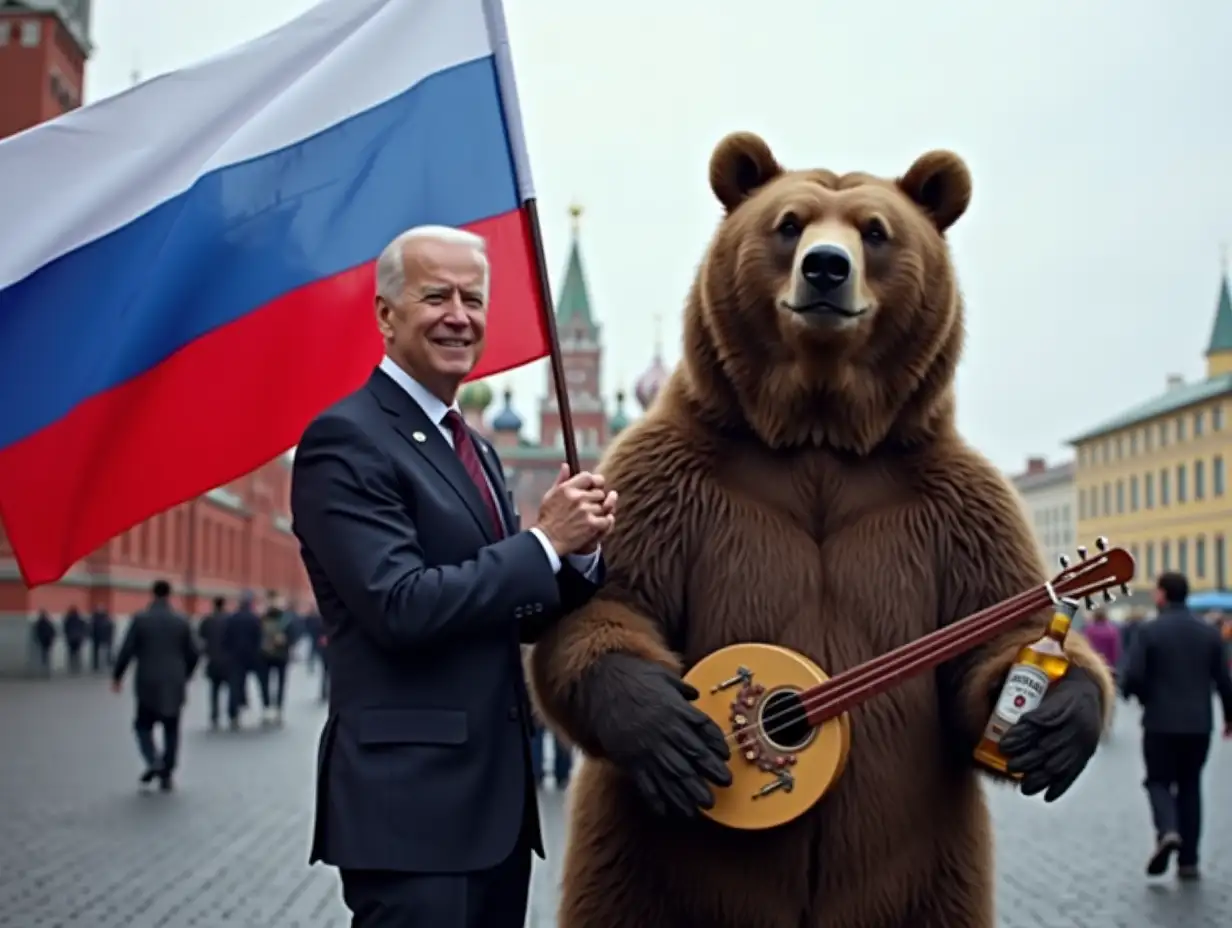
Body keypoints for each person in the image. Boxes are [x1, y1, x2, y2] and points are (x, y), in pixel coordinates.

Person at [291, 225, 616, 928]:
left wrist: (576, 555)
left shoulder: (474, 450)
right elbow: (400, 606)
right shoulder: (346, 440)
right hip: (411, 814)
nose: (458, 314)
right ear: (386, 315)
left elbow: (508, 611)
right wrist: (540, 543)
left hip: (493, 812)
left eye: (473, 298)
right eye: (435, 295)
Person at [1120, 572, 1232, 880]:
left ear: (1161, 595)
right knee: (1191, 786)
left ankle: (1167, 830)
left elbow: (1133, 676)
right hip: (1199, 724)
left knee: (1157, 781)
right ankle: (1189, 861)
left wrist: (1140, 696)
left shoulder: (1149, 631)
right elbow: (1224, 680)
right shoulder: (1209, 633)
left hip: (1159, 722)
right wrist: (1229, 717)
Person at [111, 580, 199, 791]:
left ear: (152, 594)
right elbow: (194, 653)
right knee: (171, 728)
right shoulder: (181, 621)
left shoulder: (141, 620)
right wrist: (185, 675)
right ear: (170, 595)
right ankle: (167, 772)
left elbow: (126, 650)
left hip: (147, 683)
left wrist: (117, 677)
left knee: (142, 726)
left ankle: (153, 760)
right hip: (174, 683)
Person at [198, 597, 231, 729]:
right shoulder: (229, 620)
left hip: (213, 659)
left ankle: (214, 715)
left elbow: (201, 636)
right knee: (230, 688)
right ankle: (231, 714)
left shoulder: (207, 620)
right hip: (228, 660)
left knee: (214, 689)